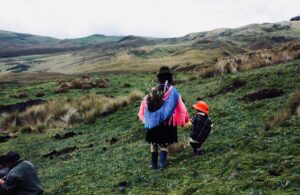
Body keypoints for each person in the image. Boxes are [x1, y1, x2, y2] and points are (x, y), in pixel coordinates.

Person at [138, 66, 189, 170]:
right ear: (169, 78)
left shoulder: (153, 91)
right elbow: (180, 104)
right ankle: (161, 164)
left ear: (159, 78)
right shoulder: (173, 91)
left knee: (153, 143)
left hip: (154, 122)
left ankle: (154, 165)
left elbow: (146, 104)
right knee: (164, 145)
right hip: (167, 123)